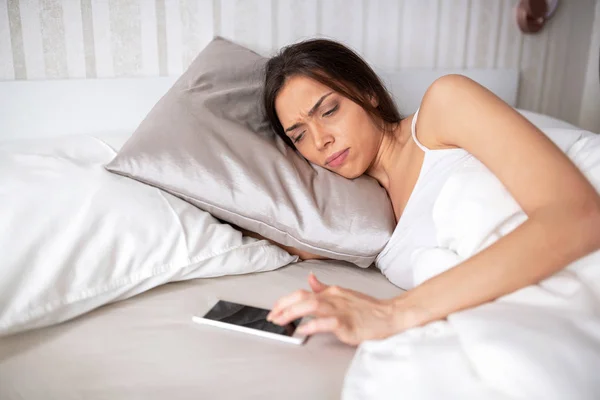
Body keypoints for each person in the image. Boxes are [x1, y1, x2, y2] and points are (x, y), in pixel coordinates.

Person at [250, 38, 600, 346]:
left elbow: (579, 216)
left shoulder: (442, 107)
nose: (320, 140)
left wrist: (394, 313)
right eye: (299, 136)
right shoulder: (360, 219)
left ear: (367, 92)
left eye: (329, 110)